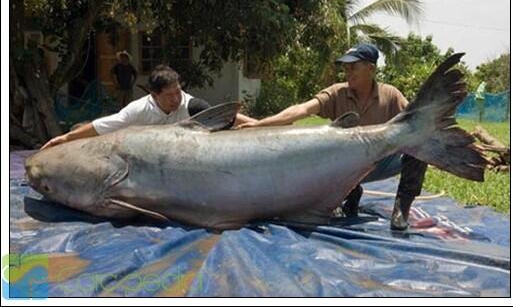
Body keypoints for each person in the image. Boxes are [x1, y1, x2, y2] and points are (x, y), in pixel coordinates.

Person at [238, 43, 428, 230]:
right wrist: (259, 124)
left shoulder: (391, 95)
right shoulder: (337, 93)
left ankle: (401, 209)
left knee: (419, 145)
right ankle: (347, 194)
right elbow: (302, 109)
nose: (348, 72)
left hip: (380, 162)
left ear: (371, 69)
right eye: (346, 68)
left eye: (353, 67)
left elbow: (415, 121)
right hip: (343, 166)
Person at [42, 64, 256, 150]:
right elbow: (100, 127)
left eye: (178, 91)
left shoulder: (192, 105)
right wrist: (63, 139)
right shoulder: (137, 111)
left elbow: (227, 117)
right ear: (154, 95)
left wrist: (262, 125)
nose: (176, 98)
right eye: (169, 95)